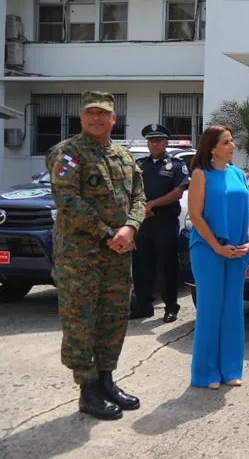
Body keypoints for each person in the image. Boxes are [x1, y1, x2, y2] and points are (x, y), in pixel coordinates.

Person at [46, 90, 146, 420]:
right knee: (80, 321)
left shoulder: (123, 156)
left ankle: (106, 380)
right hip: (81, 255)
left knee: (113, 318)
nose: (96, 118)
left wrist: (130, 228)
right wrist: (108, 234)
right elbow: (68, 202)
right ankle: (87, 390)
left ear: (113, 119)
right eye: (90, 113)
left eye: (102, 113)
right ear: (81, 118)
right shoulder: (68, 153)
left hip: (118, 252)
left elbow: (139, 197)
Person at [187, 125, 249, 389]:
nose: (232, 146)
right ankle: (206, 374)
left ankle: (230, 370)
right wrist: (216, 246)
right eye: (226, 142)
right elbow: (195, 216)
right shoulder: (200, 174)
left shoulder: (239, 174)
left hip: (238, 251)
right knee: (210, 309)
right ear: (212, 147)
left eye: (232, 141)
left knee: (233, 310)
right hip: (208, 251)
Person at [130, 124, 190, 322]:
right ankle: (143, 306)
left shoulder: (176, 164)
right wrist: (140, 209)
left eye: (158, 140)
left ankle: (170, 307)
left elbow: (178, 192)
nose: (154, 144)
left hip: (164, 222)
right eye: (151, 140)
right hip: (143, 223)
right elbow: (130, 191)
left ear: (166, 142)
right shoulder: (139, 165)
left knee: (167, 266)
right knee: (141, 266)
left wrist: (153, 204)